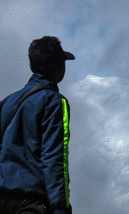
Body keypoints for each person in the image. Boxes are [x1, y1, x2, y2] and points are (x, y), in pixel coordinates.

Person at [0, 36, 74, 214]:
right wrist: (60, 207)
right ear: (58, 67)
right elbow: (55, 157)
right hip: (31, 202)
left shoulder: (7, 102)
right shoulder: (54, 102)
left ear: (31, 66)